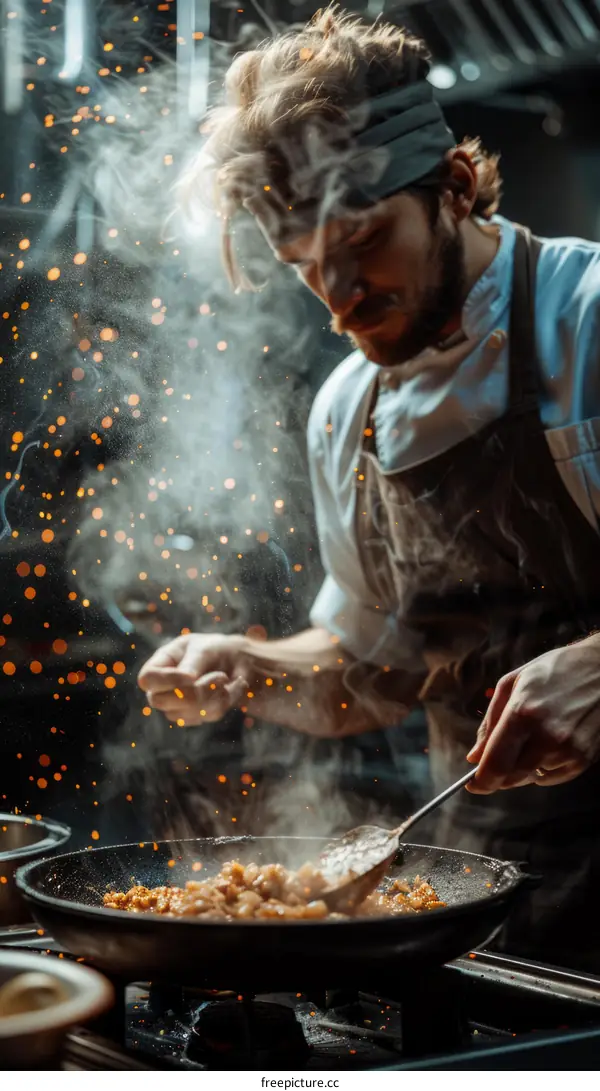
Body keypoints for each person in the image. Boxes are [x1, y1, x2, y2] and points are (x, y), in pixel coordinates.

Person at [139, 6, 600, 970]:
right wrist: (249, 668)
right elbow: (370, 673)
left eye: (362, 239)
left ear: (457, 186)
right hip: (486, 895)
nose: (340, 293)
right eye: (305, 266)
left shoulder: (586, 324)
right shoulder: (348, 410)